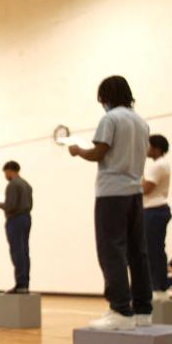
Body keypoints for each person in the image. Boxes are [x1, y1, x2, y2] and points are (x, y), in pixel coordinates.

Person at [68, 75, 152, 330]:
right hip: (135, 193)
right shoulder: (142, 122)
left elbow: (98, 153)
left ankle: (120, 309)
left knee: (111, 250)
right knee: (138, 252)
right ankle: (143, 310)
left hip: (111, 193)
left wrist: (77, 150)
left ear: (106, 97)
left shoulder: (111, 118)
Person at [143, 134, 172, 300]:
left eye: (148, 146)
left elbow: (146, 188)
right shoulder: (159, 165)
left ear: (156, 148)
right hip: (153, 210)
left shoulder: (158, 166)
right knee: (152, 249)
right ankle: (156, 286)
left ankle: (160, 287)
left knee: (154, 250)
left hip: (155, 210)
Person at [0, 161, 33, 294]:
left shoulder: (12, 185)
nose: (5, 175)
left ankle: (20, 284)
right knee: (24, 251)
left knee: (17, 251)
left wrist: (1, 205)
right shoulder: (27, 185)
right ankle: (25, 283)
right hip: (26, 218)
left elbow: (10, 205)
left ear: (9, 171)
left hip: (15, 220)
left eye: (5, 172)